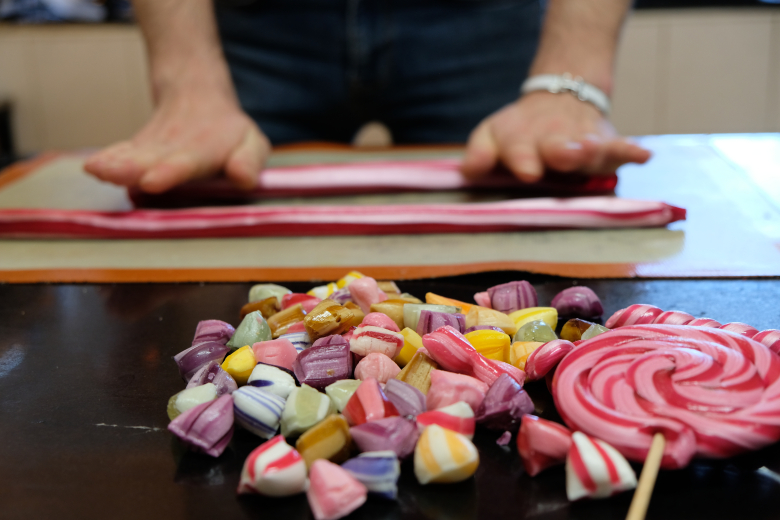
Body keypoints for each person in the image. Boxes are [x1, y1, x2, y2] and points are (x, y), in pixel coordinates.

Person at [84, 0, 651, 194]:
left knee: (532, 235)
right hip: (256, 22)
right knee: (208, 252)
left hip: (485, 19)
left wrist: (568, 79)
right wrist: (187, 83)